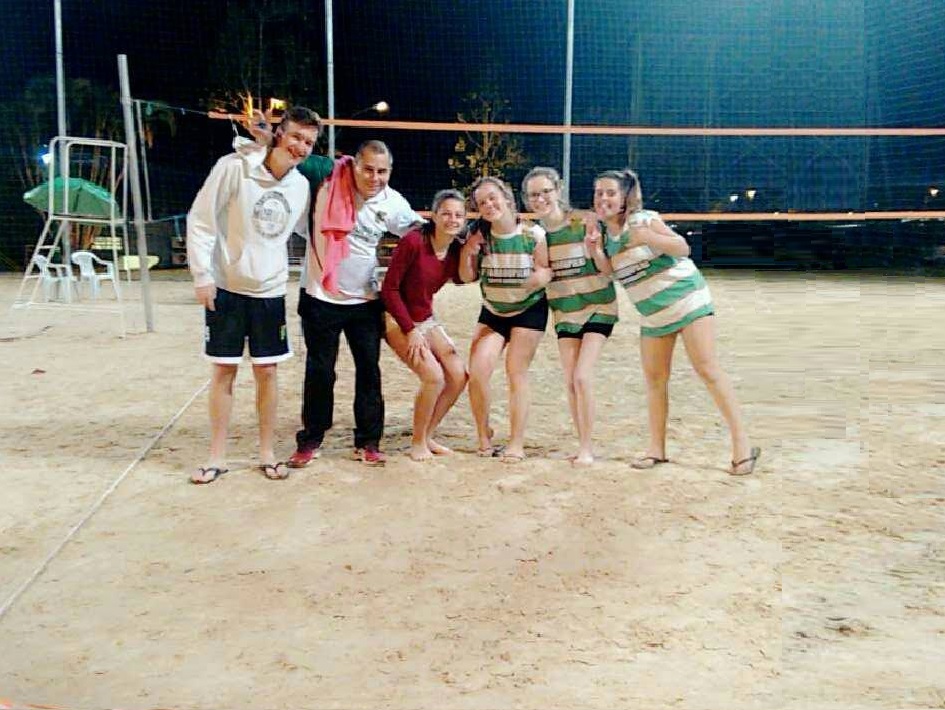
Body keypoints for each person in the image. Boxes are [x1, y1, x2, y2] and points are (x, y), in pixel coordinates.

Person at [586, 168, 760, 475]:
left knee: (708, 370)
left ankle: (742, 447)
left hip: (688, 301)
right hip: (654, 316)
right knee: (655, 381)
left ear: (625, 197)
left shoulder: (643, 220)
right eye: (599, 193)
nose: (603, 199)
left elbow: (682, 247)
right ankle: (657, 450)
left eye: (610, 193)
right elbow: (612, 272)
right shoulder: (605, 236)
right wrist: (595, 251)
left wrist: (649, 237)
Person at [186, 106, 321, 484]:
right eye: (295, 137)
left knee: (267, 372)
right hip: (227, 286)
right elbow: (200, 220)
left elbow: (307, 230)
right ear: (279, 133)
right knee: (223, 371)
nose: (301, 147)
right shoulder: (234, 167)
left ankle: (267, 453)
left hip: (270, 291)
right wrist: (202, 276)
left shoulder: (300, 185)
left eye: (309, 142)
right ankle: (216, 457)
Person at [287, 140, 423, 467]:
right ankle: (311, 439)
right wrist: (264, 141)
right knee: (320, 370)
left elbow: (422, 235)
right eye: (368, 169)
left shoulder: (393, 202)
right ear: (354, 166)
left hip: (365, 300)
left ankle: (368, 441)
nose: (375, 178)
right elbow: (293, 160)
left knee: (368, 371)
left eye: (382, 171)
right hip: (320, 295)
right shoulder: (326, 183)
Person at [522, 167, 618, 466]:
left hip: (598, 307)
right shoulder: (535, 236)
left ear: (558, 190)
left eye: (546, 192)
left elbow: (608, 270)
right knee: (570, 380)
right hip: (565, 313)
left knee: (582, 376)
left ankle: (587, 448)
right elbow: (534, 277)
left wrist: (595, 250)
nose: (540, 199)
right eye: (534, 195)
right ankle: (581, 444)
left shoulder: (583, 221)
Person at [458, 176, 552, 463]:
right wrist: (468, 251)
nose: (488, 205)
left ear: (507, 198)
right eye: (481, 202)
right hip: (493, 310)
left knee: (515, 371)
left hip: (529, 310)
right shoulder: (479, 235)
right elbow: (467, 277)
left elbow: (546, 269)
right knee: (478, 372)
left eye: (492, 198)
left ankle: (516, 443)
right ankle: (484, 436)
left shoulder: (532, 234)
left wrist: (538, 279)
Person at [381, 189, 469, 461]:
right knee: (433, 377)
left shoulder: (455, 249)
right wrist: (410, 330)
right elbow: (389, 289)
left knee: (458, 375)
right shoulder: (414, 241)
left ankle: (428, 435)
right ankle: (417, 442)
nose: (452, 219)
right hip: (396, 317)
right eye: (446, 213)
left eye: (458, 215)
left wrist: (473, 248)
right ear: (434, 215)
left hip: (424, 317)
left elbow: (464, 278)